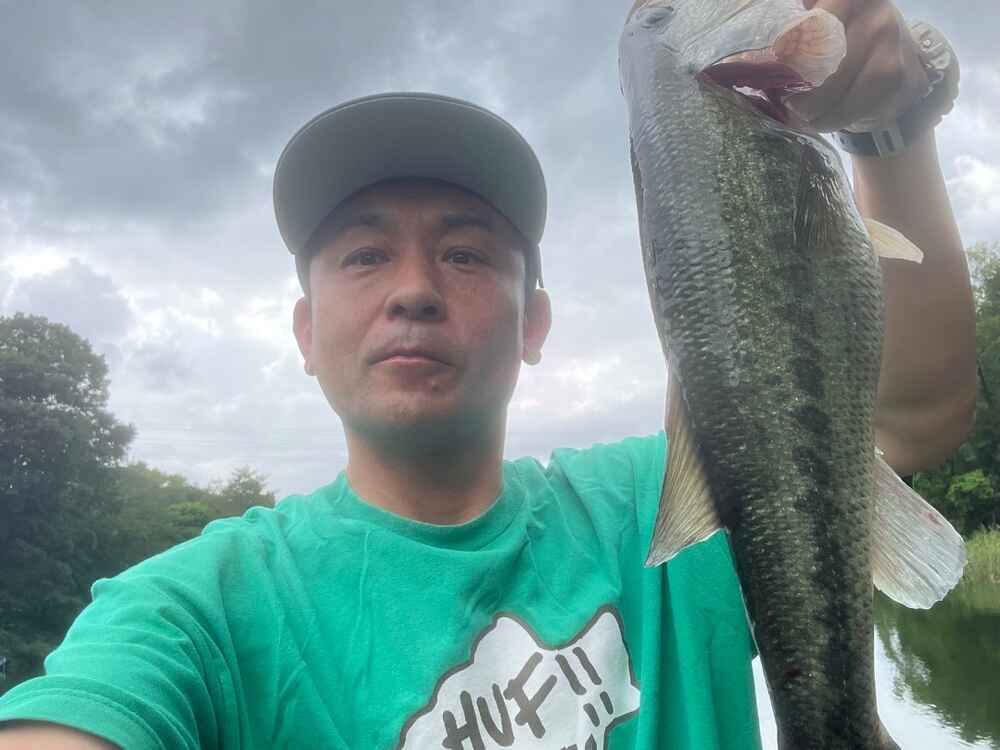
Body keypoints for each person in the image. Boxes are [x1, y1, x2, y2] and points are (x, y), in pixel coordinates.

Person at [0, 1, 976, 747]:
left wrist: (890, 128)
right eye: (364, 256)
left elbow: (915, 416)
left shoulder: (655, 513)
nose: (414, 291)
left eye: (465, 253)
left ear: (534, 323)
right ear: (304, 332)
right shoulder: (197, 609)